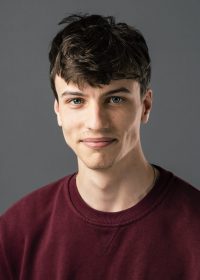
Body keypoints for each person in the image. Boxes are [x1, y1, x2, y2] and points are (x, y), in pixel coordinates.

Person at [0, 14, 200, 280]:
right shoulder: (15, 234)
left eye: (115, 99)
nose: (96, 123)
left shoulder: (195, 230)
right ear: (58, 110)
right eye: (76, 101)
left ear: (146, 106)